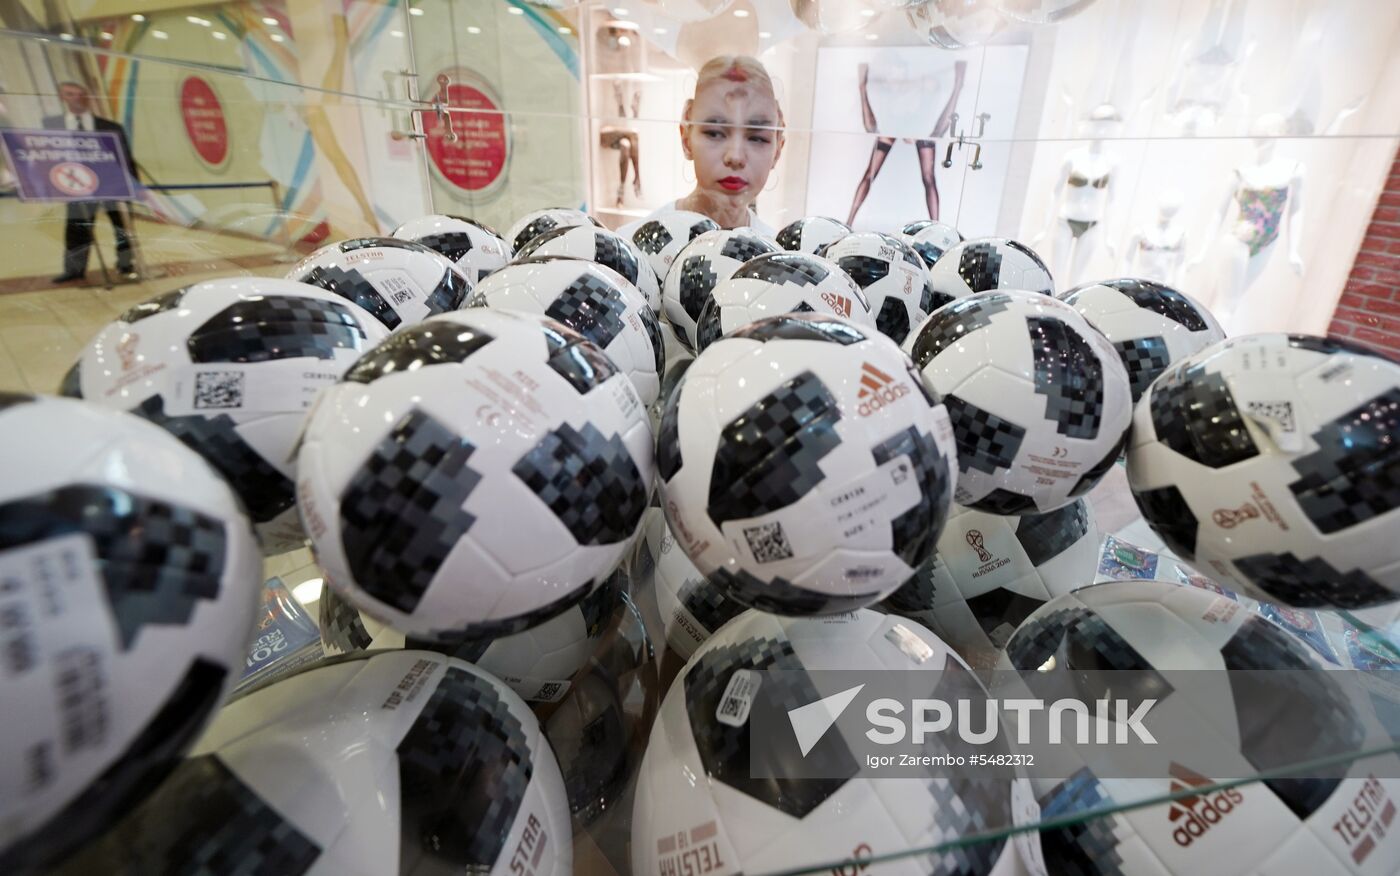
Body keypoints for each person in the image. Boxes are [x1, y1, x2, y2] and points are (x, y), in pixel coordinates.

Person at [620, 55, 784, 236]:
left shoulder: (776, 250)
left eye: (757, 138)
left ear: (778, 149)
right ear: (686, 137)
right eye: (714, 133)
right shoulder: (633, 244)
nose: (735, 157)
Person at [43, 80, 138, 283]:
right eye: (70, 94)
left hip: (112, 186)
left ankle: (125, 264)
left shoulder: (110, 127)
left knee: (121, 228)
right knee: (77, 227)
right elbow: (46, 156)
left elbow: (125, 158)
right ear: (62, 97)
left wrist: (135, 187)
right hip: (77, 186)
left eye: (80, 94)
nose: (76, 98)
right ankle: (74, 270)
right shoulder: (52, 125)